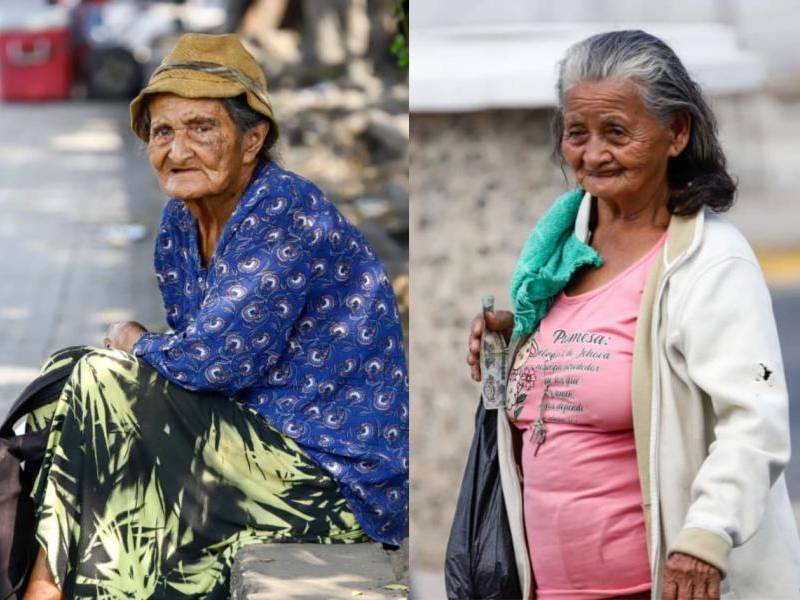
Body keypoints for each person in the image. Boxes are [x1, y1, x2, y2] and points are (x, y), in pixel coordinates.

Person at [23, 33, 408, 600]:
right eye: (162, 132)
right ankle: (63, 583)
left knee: (102, 378)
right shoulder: (180, 224)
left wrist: (134, 340)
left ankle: (45, 587)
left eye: (201, 128)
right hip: (251, 447)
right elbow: (188, 373)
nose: (177, 151)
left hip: (333, 480)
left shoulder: (282, 210)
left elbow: (212, 364)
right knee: (70, 374)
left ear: (252, 139)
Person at [466, 30, 800, 600]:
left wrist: (705, 538)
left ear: (677, 132)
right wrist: (519, 340)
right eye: (577, 133)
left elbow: (755, 420)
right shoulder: (558, 251)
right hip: (545, 586)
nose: (592, 154)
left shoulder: (709, 263)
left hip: (656, 584)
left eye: (616, 132)